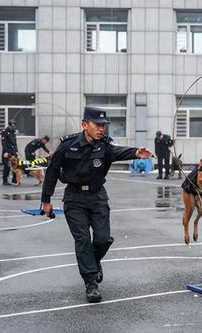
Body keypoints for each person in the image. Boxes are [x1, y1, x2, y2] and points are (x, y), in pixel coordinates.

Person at [41, 106, 152, 303]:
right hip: (74, 199)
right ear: (85, 125)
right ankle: (91, 283)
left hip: (97, 196)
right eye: (97, 125)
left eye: (104, 126)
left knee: (102, 239)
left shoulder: (105, 145)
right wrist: (46, 201)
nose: (102, 129)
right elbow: (52, 171)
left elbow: (118, 151)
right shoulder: (68, 145)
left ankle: (93, 262)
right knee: (82, 239)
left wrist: (136, 152)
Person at [1, 119, 18, 185]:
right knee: (7, 166)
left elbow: (15, 141)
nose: (13, 128)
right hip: (7, 151)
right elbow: (3, 143)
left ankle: (14, 179)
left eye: (14, 126)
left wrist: (16, 150)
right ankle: (5, 180)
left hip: (13, 151)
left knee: (15, 165)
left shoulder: (13, 132)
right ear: (9, 125)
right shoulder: (4, 131)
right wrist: (5, 152)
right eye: (12, 126)